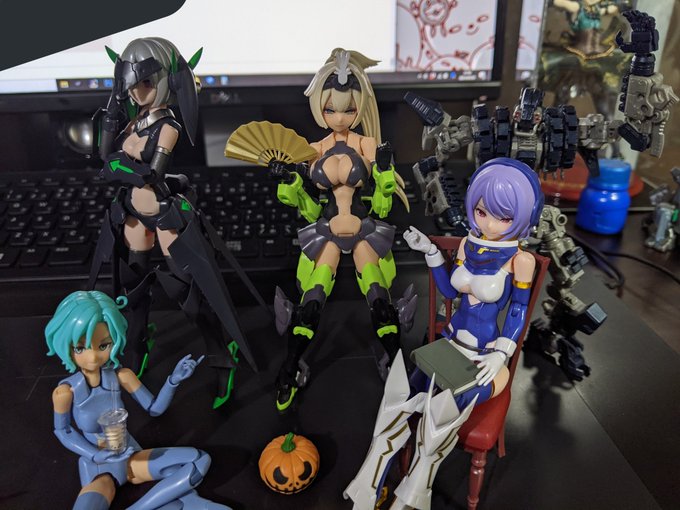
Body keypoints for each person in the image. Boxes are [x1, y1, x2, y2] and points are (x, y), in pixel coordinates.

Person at [345, 158, 544, 510]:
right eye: (482, 211)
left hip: (485, 358)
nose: (489, 223)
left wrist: (501, 354)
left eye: (503, 217)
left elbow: (517, 310)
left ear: (522, 218)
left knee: (440, 418)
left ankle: (413, 497)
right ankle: (367, 486)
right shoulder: (468, 245)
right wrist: (432, 253)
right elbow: (451, 292)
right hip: (449, 345)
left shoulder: (520, 260)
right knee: (399, 401)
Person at [90, 37, 262, 408]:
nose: (137, 92)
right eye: (130, 84)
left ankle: (220, 351)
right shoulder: (134, 121)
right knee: (133, 287)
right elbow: (103, 157)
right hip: (134, 213)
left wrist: (118, 166)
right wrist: (112, 110)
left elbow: (150, 174)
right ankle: (137, 342)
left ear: (166, 80)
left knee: (188, 293)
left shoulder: (167, 126)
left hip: (163, 212)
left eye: (145, 83)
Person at [267, 48, 415, 411]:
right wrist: (289, 181)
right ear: (320, 106)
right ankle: (289, 369)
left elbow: (382, 203)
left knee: (379, 299)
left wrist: (384, 176)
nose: (339, 117)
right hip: (327, 230)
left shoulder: (366, 144)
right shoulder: (311, 149)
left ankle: (397, 366)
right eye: (331, 109)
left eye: (348, 110)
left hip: (364, 228)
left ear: (360, 107)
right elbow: (307, 207)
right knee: (311, 301)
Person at [47, 290, 229, 510]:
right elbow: (63, 431)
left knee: (199, 459)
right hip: (100, 470)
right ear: (66, 346)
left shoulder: (121, 376)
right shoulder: (66, 392)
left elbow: (154, 409)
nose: (93, 356)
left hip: (132, 458)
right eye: (80, 348)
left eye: (103, 345)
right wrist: (95, 455)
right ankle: (186, 503)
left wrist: (173, 380)